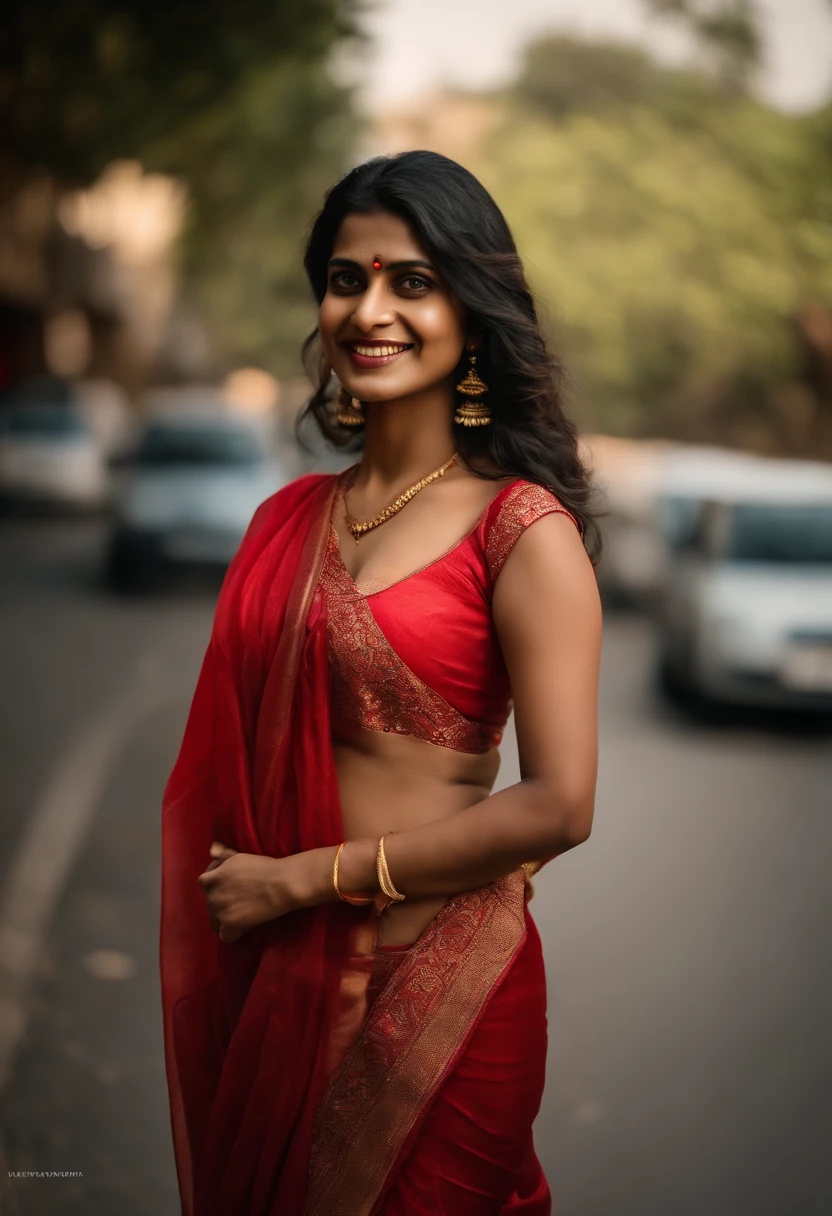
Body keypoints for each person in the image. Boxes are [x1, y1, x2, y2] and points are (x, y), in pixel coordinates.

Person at [160, 149, 602, 1216]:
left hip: (440, 992)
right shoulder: (287, 518)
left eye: (412, 280)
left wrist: (302, 879)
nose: (372, 309)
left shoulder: (519, 530)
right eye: (347, 278)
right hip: (281, 980)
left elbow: (561, 805)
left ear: (471, 309)